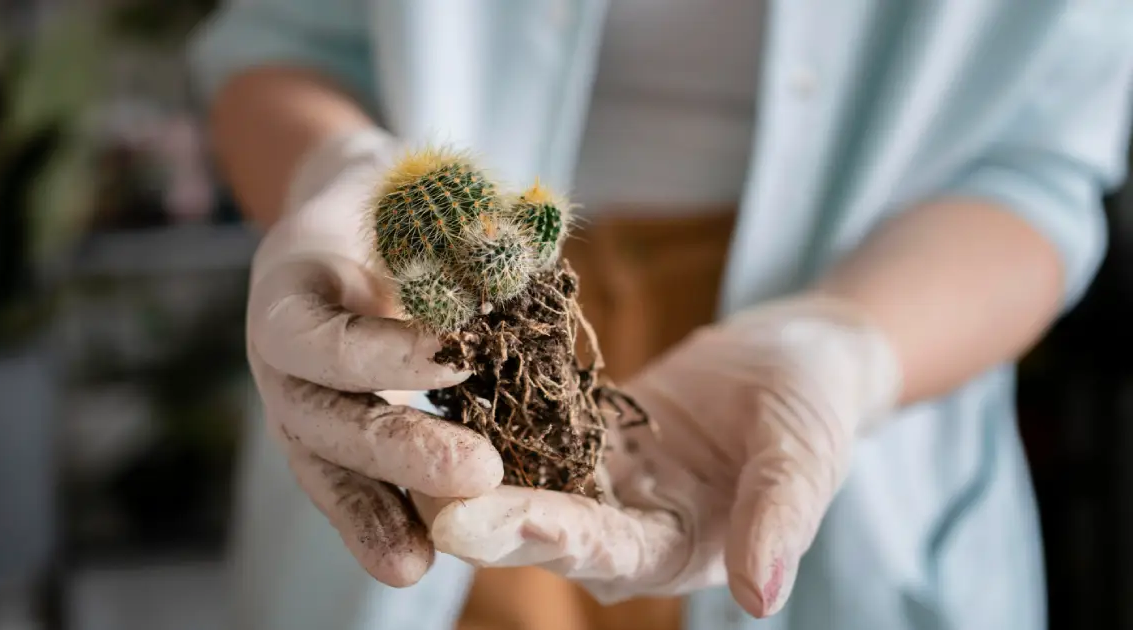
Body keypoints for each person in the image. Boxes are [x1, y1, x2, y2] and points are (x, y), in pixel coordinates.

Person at [185, 1, 1133, 629]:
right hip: (424, 322)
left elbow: (1038, 163)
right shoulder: (490, 258)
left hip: (884, 314)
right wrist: (335, 175)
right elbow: (280, 41)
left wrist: (844, 347)